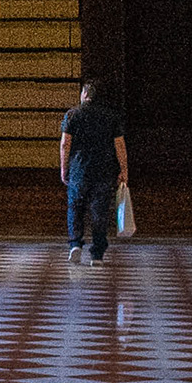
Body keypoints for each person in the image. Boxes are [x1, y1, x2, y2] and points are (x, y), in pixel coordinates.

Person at [59, 78, 128, 269]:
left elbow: (65, 144)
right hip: (104, 171)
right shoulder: (111, 116)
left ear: (85, 94)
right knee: (100, 213)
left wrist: (64, 168)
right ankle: (97, 254)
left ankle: (75, 244)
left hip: (78, 170)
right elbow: (119, 145)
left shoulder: (72, 115)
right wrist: (124, 169)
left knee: (75, 209)